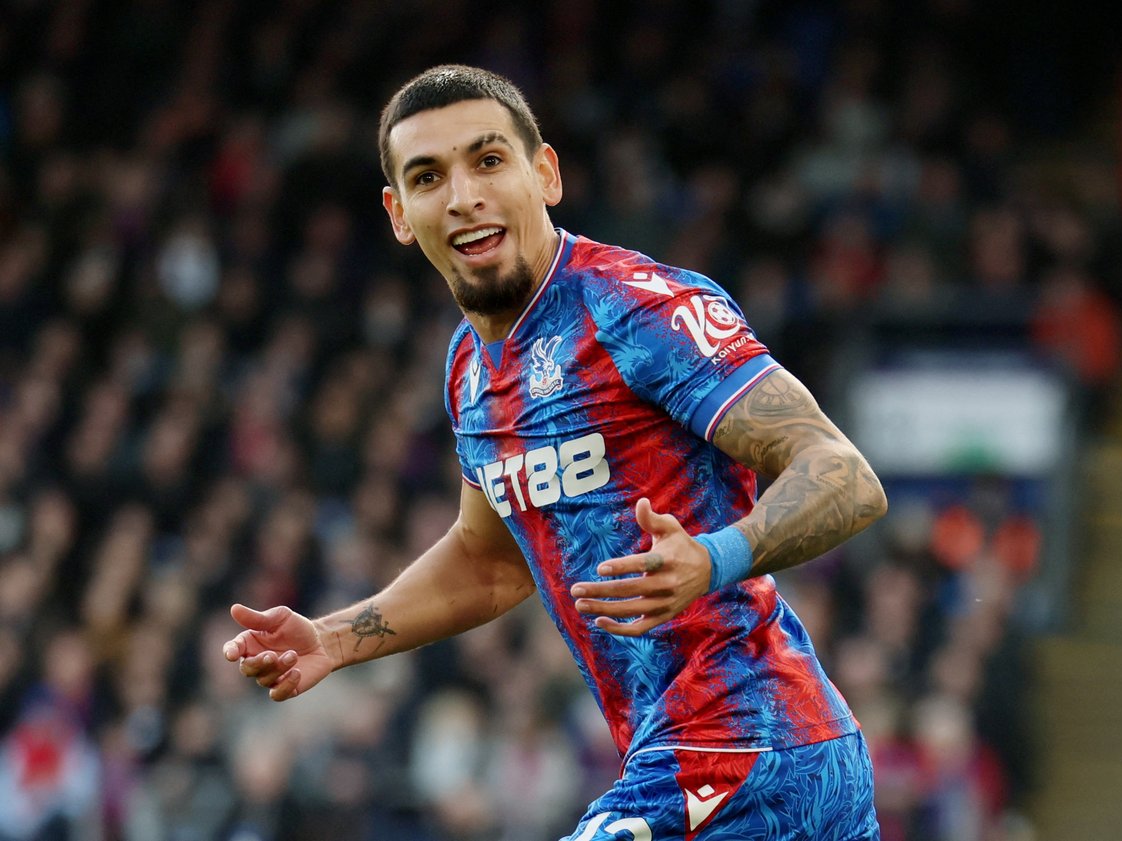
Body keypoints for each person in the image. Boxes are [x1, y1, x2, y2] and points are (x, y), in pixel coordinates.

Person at [223, 64, 888, 841]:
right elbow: (491, 560)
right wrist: (336, 639)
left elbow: (843, 472)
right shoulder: (470, 368)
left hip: (751, 753)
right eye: (429, 176)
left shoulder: (636, 307)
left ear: (546, 173)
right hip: (700, 762)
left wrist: (716, 556)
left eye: (489, 160)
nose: (464, 194)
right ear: (400, 214)